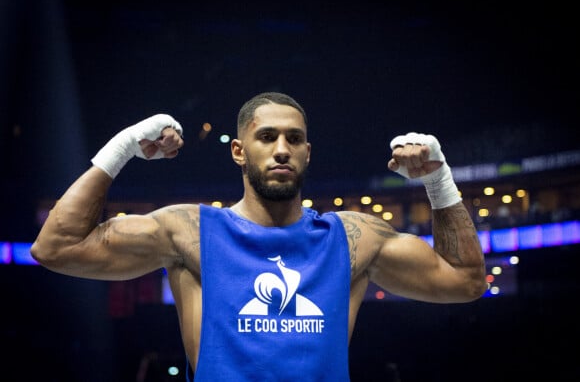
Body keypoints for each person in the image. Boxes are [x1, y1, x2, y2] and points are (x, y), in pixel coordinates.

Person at [31, 92, 486, 381]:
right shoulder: (188, 232)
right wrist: (123, 146)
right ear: (239, 151)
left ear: (308, 153)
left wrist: (438, 180)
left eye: (294, 138)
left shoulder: (352, 238)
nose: (282, 149)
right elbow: (57, 247)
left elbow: (466, 282)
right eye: (267, 137)